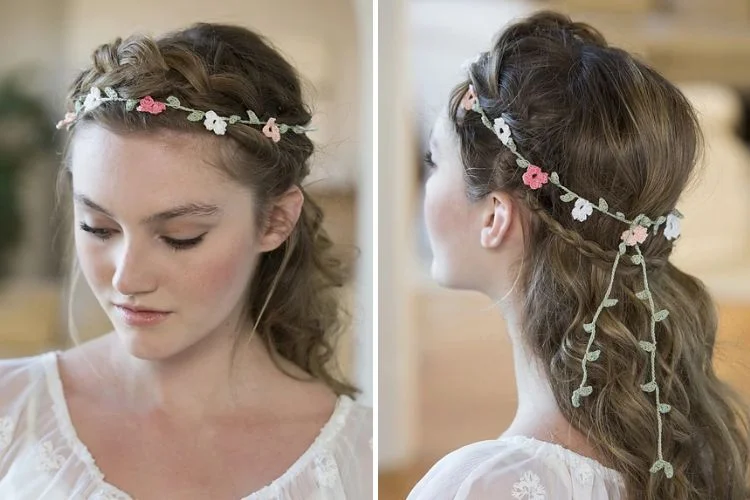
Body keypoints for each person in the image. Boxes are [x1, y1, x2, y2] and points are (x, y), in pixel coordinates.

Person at [0, 23, 371, 499]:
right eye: (99, 228)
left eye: (181, 237)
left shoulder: (361, 458)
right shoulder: (11, 411)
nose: (127, 277)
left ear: (275, 220)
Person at [409, 10, 749, 500]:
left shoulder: (477, 487)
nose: (425, 185)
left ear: (494, 218)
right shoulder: (693, 447)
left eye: (434, 160)